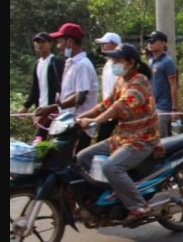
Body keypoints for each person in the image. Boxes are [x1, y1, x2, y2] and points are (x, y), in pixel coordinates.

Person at [75, 44, 164, 223]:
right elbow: (105, 104)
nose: (114, 64)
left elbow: (119, 106)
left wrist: (95, 121)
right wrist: (78, 117)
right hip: (122, 137)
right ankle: (107, 196)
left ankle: (139, 205)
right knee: (83, 157)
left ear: (130, 63)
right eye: (113, 60)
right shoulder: (120, 81)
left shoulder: (140, 81)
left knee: (111, 167)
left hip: (141, 139)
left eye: (117, 60)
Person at [35, 22, 98, 152]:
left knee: (71, 166)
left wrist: (54, 107)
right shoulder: (71, 64)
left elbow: (80, 96)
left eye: (60, 42)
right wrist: (54, 111)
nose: (58, 47)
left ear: (69, 42)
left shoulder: (82, 65)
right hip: (68, 124)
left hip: (79, 126)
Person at [20, 32, 64, 142]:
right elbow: (35, 88)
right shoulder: (37, 64)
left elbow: (61, 87)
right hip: (41, 107)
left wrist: (56, 107)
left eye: (43, 42)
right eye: (37, 42)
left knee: (41, 138)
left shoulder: (55, 62)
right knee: (41, 139)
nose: (40, 45)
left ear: (50, 44)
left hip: (52, 109)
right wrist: (26, 106)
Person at [146, 30, 179, 138]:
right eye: (149, 41)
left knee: (161, 137)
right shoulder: (150, 61)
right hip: (152, 105)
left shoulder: (167, 62)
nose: (150, 43)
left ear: (163, 43)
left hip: (163, 106)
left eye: (153, 41)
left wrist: (174, 109)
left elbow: (173, 86)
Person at [95, 32, 122, 142]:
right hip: (107, 106)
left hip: (117, 107)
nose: (102, 46)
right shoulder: (108, 64)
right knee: (102, 138)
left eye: (104, 43)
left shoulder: (121, 63)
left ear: (114, 44)